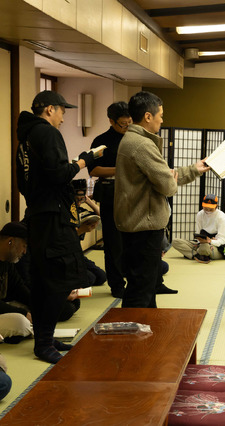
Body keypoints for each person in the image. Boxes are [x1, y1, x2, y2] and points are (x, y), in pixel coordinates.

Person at [16, 90, 97, 363]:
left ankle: (45, 339)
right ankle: (43, 344)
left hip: (37, 215)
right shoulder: (47, 133)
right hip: (52, 218)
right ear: (50, 109)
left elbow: (24, 183)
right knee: (58, 280)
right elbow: (60, 173)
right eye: (62, 111)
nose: (63, 117)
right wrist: (84, 161)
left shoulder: (25, 138)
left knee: (44, 279)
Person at [114, 91, 209, 308]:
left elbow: (163, 176)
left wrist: (194, 169)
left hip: (137, 225)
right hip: (143, 228)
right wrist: (170, 181)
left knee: (145, 288)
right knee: (141, 290)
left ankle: (145, 327)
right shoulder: (142, 145)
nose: (162, 120)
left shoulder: (133, 140)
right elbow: (167, 184)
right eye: (161, 115)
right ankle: (133, 329)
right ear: (148, 116)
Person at [89, 102, 132, 298]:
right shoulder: (101, 141)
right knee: (113, 242)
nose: (126, 127)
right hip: (110, 194)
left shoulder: (134, 138)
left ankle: (134, 280)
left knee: (132, 241)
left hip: (133, 193)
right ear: (111, 121)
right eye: (123, 124)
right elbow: (93, 170)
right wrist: (119, 169)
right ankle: (117, 285)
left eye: (129, 122)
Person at [172, 194, 225, 263]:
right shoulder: (200, 214)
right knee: (175, 242)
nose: (208, 210)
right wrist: (199, 240)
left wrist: (210, 241)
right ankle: (197, 255)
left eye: (211, 209)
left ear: (216, 206)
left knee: (204, 247)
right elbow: (198, 234)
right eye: (206, 208)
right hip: (201, 243)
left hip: (215, 246)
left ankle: (195, 254)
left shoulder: (222, 217)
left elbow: (222, 241)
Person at [0, 222, 33, 343]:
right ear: (11, 242)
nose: (24, 252)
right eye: (24, 246)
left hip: (4, 306)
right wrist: (23, 313)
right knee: (20, 322)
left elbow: (19, 287)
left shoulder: (7, 262)